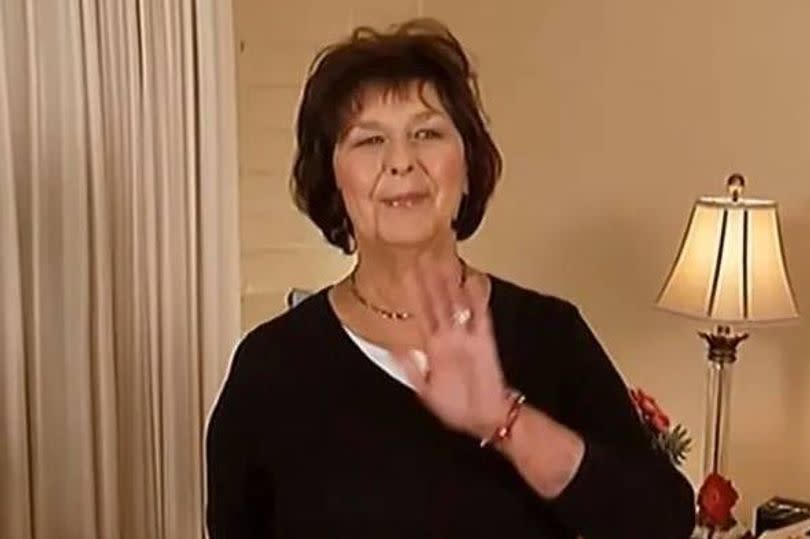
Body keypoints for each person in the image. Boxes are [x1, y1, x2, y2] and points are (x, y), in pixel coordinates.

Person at [206, 18, 695, 538]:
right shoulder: (271, 368)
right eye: (369, 140)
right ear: (333, 181)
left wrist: (505, 421)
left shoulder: (550, 336)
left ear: (466, 169)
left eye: (427, 133)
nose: (401, 161)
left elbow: (659, 522)